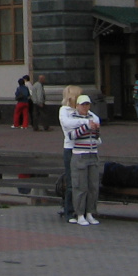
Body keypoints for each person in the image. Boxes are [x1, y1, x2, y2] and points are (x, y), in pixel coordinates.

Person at [62, 93, 102, 226]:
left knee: (93, 186)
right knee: (80, 186)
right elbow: (71, 135)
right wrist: (86, 127)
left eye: (87, 104)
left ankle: (90, 212)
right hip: (79, 154)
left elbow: (96, 136)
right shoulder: (73, 117)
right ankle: (79, 214)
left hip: (92, 153)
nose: (85, 107)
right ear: (77, 106)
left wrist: (96, 131)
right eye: (83, 104)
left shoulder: (93, 117)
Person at [59, 84, 83, 218]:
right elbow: (68, 124)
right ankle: (69, 211)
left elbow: (94, 120)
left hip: (83, 148)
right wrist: (84, 123)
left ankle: (81, 210)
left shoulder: (81, 110)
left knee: (81, 182)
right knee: (71, 181)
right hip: (70, 148)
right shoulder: (64, 110)